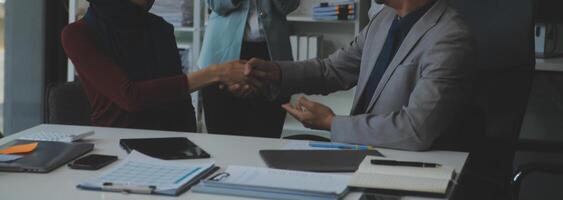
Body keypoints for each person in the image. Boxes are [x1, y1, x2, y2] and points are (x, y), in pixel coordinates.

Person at [242, 0, 475, 151]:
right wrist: (275, 72)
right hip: (360, 153)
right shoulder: (383, 20)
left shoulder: (449, 36)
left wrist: (332, 123)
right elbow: (331, 70)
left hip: (400, 163)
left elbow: (416, 129)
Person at [61, 0, 251, 132]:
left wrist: (191, 149)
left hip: (171, 145)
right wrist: (215, 73)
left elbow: (181, 106)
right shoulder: (77, 34)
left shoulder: (160, 27)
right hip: (114, 145)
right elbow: (130, 97)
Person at [197, 0, 300, 138]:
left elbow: (288, 5)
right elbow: (216, 4)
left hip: (272, 55)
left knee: (266, 139)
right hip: (223, 55)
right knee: (222, 140)